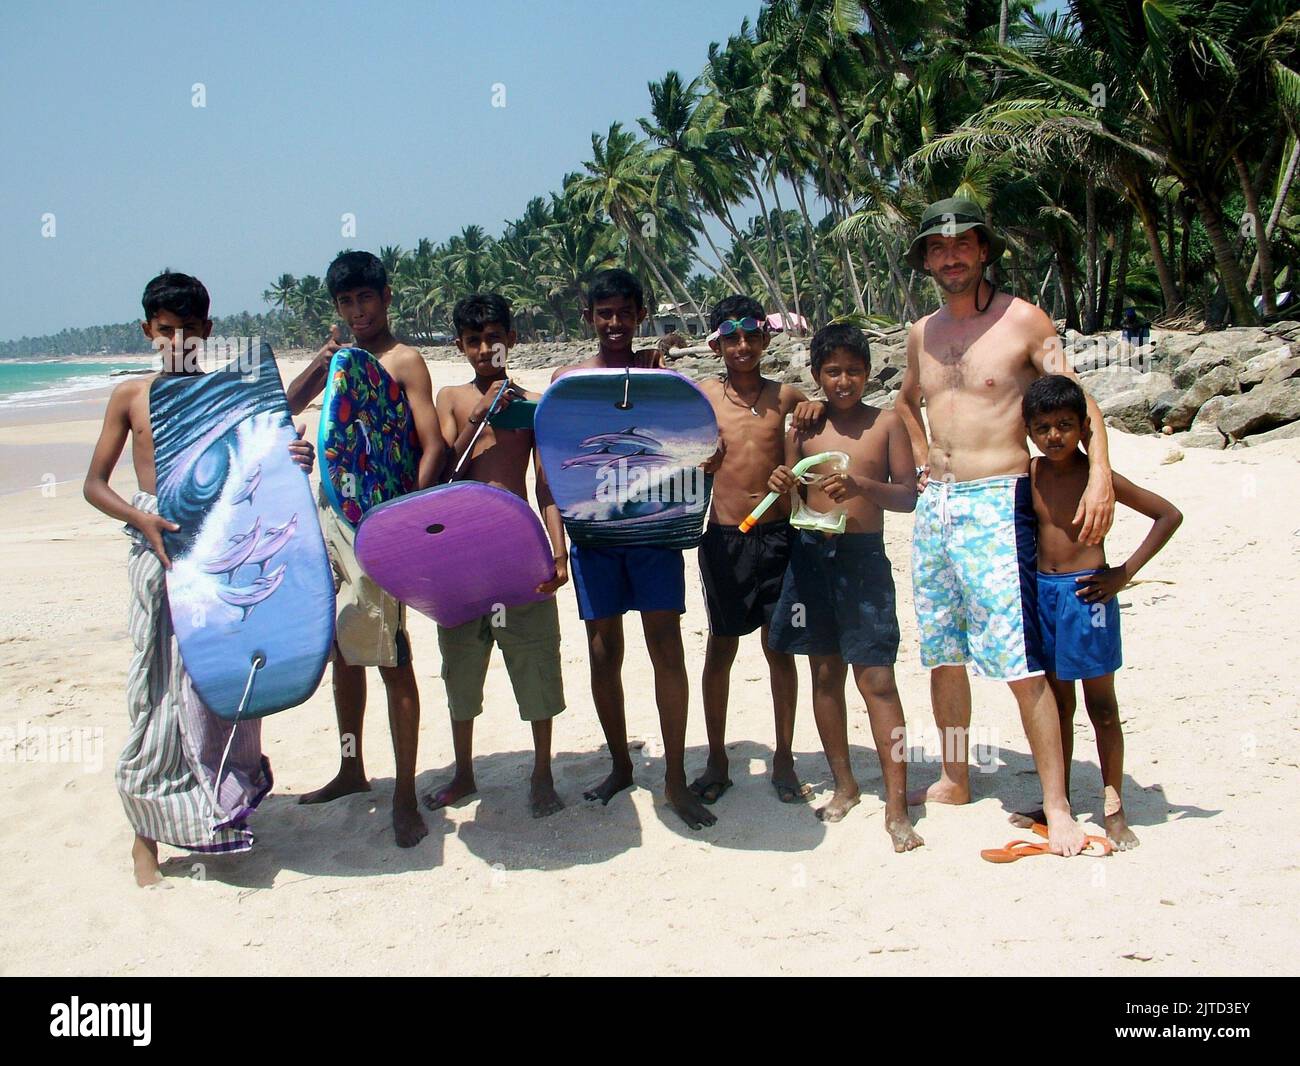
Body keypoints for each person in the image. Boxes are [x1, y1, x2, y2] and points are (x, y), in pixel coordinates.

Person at [896, 197, 1117, 856]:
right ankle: (955, 775)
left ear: (984, 250)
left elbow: (1078, 400)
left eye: (963, 244)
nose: (951, 256)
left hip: (1001, 501)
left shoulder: (1025, 320)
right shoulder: (921, 333)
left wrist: (1099, 474)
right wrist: (920, 465)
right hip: (938, 507)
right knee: (942, 652)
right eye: (938, 248)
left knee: (1021, 660)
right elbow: (908, 401)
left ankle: (1057, 803)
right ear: (926, 260)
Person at [83, 272, 316, 885]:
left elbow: (257, 462)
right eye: (165, 332)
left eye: (189, 331)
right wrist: (140, 515)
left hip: (220, 554)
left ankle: (217, 813)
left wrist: (294, 458)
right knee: (156, 693)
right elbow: (94, 484)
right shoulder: (133, 396)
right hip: (157, 555)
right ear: (147, 331)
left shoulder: (228, 393)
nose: (177, 342)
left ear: (208, 332)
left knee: (222, 688)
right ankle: (145, 841)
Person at [285, 251, 443, 848]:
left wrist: (411, 520)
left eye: (366, 299)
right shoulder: (339, 364)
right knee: (343, 652)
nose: (358, 311)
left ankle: (405, 793)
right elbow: (291, 412)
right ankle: (352, 769)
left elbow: (428, 445)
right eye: (347, 303)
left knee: (391, 652)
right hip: (325, 524)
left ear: (386, 297)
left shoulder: (404, 360)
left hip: (378, 526)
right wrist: (322, 365)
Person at [550, 268, 714, 829]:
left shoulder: (662, 378)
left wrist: (705, 462)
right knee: (602, 652)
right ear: (590, 318)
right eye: (604, 313)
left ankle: (673, 777)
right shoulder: (568, 380)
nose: (614, 323)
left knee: (666, 646)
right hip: (593, 535)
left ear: (640, 315)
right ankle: (621, 764)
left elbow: (697, 446)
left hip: (655, 531)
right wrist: (555, 543)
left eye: (624, 312)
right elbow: (549, 466)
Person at [765, 325, 923, 851]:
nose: (844, 380)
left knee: (877, 679)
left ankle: (897, 805)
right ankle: (846, 784)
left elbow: (906, 497)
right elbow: (792, 504)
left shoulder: (887, 425)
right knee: (824, 673)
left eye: (853, 370)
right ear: (816, 375)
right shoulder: (804, 427)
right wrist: (783, 487)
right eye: (832, 371)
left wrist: (862, 487)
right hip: (811, 558)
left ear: (869, 371)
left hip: (862, 561)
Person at [1014, 375, 1182, 848]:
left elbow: (1168, 514)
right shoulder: (1030, 473)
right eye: (1043, 426)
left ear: (1084, 427)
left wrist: (1123, 573)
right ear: (1029, 430)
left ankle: (1114, 807)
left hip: (1089, 598)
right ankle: (1058, 801)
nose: (1054, 436)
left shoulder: (1097, 476)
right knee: (1058, 705)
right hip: (1043, 595)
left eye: (1065, 425)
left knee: (1102, 707)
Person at [425, 293, 570, 818]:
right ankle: (464, 772)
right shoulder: (451, 399)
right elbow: (442, 475)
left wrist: (559, 551)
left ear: (512, 339)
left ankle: (543, 771)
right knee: (460, 666)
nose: (486, 350)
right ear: (460, 347)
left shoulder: (534, 402)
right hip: (459, 557)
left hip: (519, 550)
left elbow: (545, 483)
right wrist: (478, 418)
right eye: (473, 341)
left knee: (535, 658)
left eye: (494, 338)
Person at [691, 294, 819, 805]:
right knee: (720, 649)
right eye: (731, 337)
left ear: (766, 339)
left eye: (751, 336)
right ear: (717, 343)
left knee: (779, 649)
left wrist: (814, 407)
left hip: (779, 536)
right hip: (724, 536)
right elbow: (678, 454)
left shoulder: (786, 396)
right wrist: (702, 459)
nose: (742, 346)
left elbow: (817, 428)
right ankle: (717, 758)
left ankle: (784, 756)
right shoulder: (702, 397)